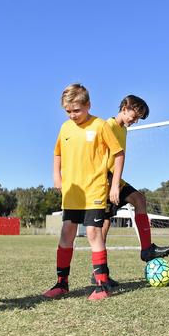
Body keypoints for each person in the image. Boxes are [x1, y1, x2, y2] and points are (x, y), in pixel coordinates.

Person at [44, 83, 125, 301]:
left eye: (77, 110)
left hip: (95, 189)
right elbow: (57, 153)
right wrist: (56, 176)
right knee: (66, 234)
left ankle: (102, 284)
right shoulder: (65, 128)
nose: (72, 115)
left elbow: (118, 154)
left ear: (88, 105)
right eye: (68, 111)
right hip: (72, 191)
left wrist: (115, 184)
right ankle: (62, 283)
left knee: (92, 233)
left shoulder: (100, 126)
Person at [93, 95, 169, 286]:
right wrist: (111, 185)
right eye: (134, 115)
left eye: (138, 118)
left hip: (115, 179)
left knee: (139, 199)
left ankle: (146, 249)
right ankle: (99, 273)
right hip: (104, 180)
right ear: (124, 107)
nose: (135, 121)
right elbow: (100, 157)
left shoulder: (123, 130)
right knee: (103, 224)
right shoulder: (109, 125)